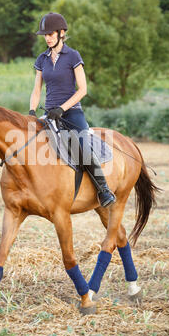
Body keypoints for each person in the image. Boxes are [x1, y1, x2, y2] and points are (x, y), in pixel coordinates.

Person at [29, 12, 116, 208]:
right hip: (50, 114)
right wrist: (32, 112)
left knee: (82, 147)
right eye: (45, 35)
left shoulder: (73, 56)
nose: (48, 38)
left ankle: (103, 190)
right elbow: (36, 90)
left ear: (61, 33)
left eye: (51, 34)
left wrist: (62, 108)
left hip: (71, 112)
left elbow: (83, 89)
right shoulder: (42, 59)